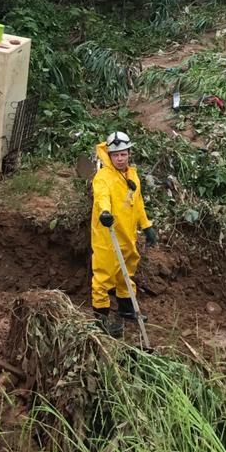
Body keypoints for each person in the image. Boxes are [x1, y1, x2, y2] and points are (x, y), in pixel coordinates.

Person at [91, 131, 157, 337]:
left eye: (124, 154)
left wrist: (146, 226)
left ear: (129, 154)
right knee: (104, 276)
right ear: (109, 156)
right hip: (107, 235)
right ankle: (100, 317)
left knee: (126, 271)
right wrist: (105, 213)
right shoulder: (103, 177)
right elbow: (102, 197)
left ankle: (127, 308)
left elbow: (137, 203)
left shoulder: (131, 175)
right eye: (116, 155)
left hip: (127, 234)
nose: (120, 159)